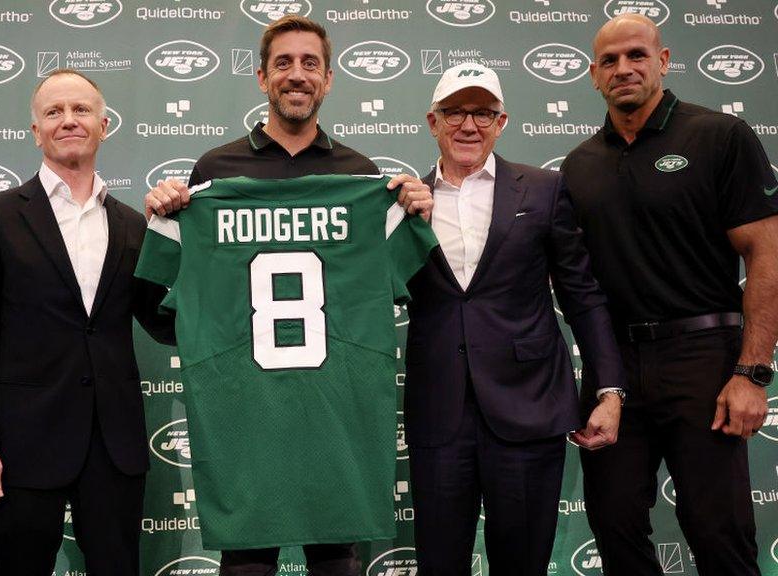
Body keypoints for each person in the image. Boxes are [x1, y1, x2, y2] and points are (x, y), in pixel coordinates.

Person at [145, 15, 432, 576]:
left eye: (309, 64)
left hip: (334, 416)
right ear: (260, 78)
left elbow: (404, 291)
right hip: (244, 417)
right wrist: (165, 212)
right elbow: (160, 298)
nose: (296, 75)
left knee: (336, 558)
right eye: (283, 63)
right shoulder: (214, 173)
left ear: (327, 80)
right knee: (247, 561)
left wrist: (413, 213)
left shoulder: (362, 178)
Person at [561, 14, 778, 576]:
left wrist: (752, 372)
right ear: (592, 75)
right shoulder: (579, 165)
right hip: (616, 368)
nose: (623, 68)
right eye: (609, 60)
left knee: (718, 529)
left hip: (704, 359)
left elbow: (766, 253)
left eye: (636, 55)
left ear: (663, 60)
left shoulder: (718, 136)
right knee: (613, 525)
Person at [403, 62, 626, 576]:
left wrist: (610, 390)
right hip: (439, 415)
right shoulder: (403, 201)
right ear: (432, 121)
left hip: (529, 409)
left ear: (502, 122)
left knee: (523, 563)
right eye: (455, 112)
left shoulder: (545, 189)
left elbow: (583, 295)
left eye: (483, 113)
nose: (468, 125)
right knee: (439, 565)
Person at [0, 69, 174, 576]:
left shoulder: (133, 224)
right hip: (22, 445)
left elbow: (165, 321)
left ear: (104, 124)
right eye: (54, 112)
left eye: (81, 110)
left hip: (114, 446)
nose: (68, 121)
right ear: (35, 131)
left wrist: (183, 236)